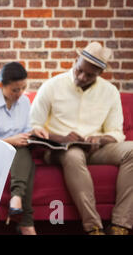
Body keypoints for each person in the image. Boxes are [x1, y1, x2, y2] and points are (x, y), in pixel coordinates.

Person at [30, 42, 133, 235]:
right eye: (79, 71)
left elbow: (116, 132)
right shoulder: (52, 86)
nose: (82, 77)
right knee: (73, 154)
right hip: (58, 150)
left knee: (132, 150)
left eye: (90, 75)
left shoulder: (110, 92)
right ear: (75, 61)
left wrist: (100, 140)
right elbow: (33, 126)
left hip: (95, 149)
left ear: (100, 73)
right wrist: (60, 137)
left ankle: (121, 225)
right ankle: (93, 228)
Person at [0, 62, 48, 235]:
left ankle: (19, 205)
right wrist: (11, 141)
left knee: (23, 152)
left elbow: (25, 129)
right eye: (15, 90)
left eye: (23, 88)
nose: (19, 94)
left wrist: (34, 131)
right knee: (24, 157)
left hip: (20, 152)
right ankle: (25, 219)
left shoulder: (24, 101)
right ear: (2, 85)